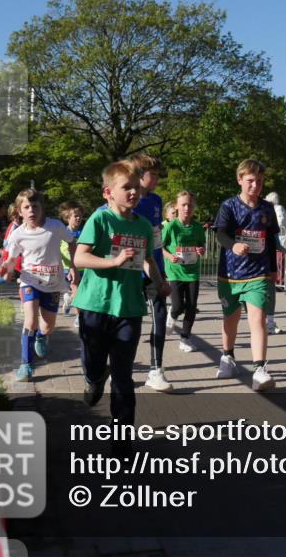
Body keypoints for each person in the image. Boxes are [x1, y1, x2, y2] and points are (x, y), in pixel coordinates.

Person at [73, 161, 170, 426]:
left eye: (136, 187)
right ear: (108, 192)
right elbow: (80, 258)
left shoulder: (143, 225)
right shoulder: (100, 219)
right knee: (93, 364)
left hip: (129, 308)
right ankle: (94, 379)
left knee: (123, 376)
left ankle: (123, 443)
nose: (133, 193)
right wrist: (112, 262)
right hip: (95, 306)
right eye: (126, 187)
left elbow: (148, 259)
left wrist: (161, 283)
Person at [214, 159, 280, 392]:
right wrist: (232, 245)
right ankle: (228, 356)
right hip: (230, 275)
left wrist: (273, 268)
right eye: (250, 181)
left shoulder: (267, 208)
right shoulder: (229, 206)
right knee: (231, 318)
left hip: (258, 273)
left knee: (258, 318)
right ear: (240, 180)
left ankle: (260, 369)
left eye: (259, 181)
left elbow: (271, 239)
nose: (255, 185)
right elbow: (220, 234)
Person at [4, 189, 77, 382]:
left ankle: (41, 336)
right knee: (30, 322)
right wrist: (7, 268)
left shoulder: (55, 226)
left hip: (53, 284)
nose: (31, 210)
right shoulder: (18, 235)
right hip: (29, 281)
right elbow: (11, 259)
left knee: (47, 325)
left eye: (35, 206)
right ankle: (25, 364)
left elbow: (72, 243)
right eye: (26, 207)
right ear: (20, 211)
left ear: (42, 208)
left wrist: (72, 266)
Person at [127, 153, 174, 393]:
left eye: (157, 175)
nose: (156, 179)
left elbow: (156, 238)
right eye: (151, 174)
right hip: (130, 270)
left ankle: (156, 369)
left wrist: (161, 270)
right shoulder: (128, 201)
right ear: (138, 175)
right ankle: (122, 369)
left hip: (154, 268)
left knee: (160, 315)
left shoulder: (157, 200)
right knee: (129, 323)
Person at [162, 190, 205, 353]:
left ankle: (185, 338)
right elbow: (160, 247)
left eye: (190, 205)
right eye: (183, 205)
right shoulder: (171, 226)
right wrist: (169, 256)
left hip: (192, 271)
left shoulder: (197, 227)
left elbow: (202, 246)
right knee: (178, 306)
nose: (187, 208)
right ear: (177, 207)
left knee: (192, 306)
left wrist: (201, 250)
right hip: (175, 271)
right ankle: (172, 316)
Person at [57, 201, 86, 327]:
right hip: (68, 269)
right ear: (68, 218)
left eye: (80, 216)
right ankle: (79, 317)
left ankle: (68, 299)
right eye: (76, 216)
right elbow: (57, 251)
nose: (79, 218)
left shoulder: (84, 232)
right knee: (78, 292)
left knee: (82, 293)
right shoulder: (62, 233)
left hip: (84, 268)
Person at [264, 191, 286, 335]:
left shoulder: (272, 222)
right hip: (254, 265)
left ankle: (270, 322)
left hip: (269, 263)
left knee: (270, 293)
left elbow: (277, 242)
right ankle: (262, 321)